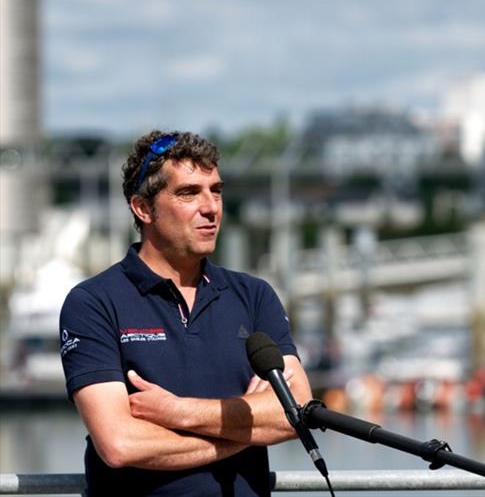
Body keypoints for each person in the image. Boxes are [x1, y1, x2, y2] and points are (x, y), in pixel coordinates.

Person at [59, 130, 312, 496]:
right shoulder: (94, 302)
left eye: (216, 190)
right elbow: (119, 444)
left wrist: (177, 412)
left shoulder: (254, 296)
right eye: (189, 193)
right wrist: (243, 429)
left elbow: (296, 411)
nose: (211, 207)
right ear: (143, 208)